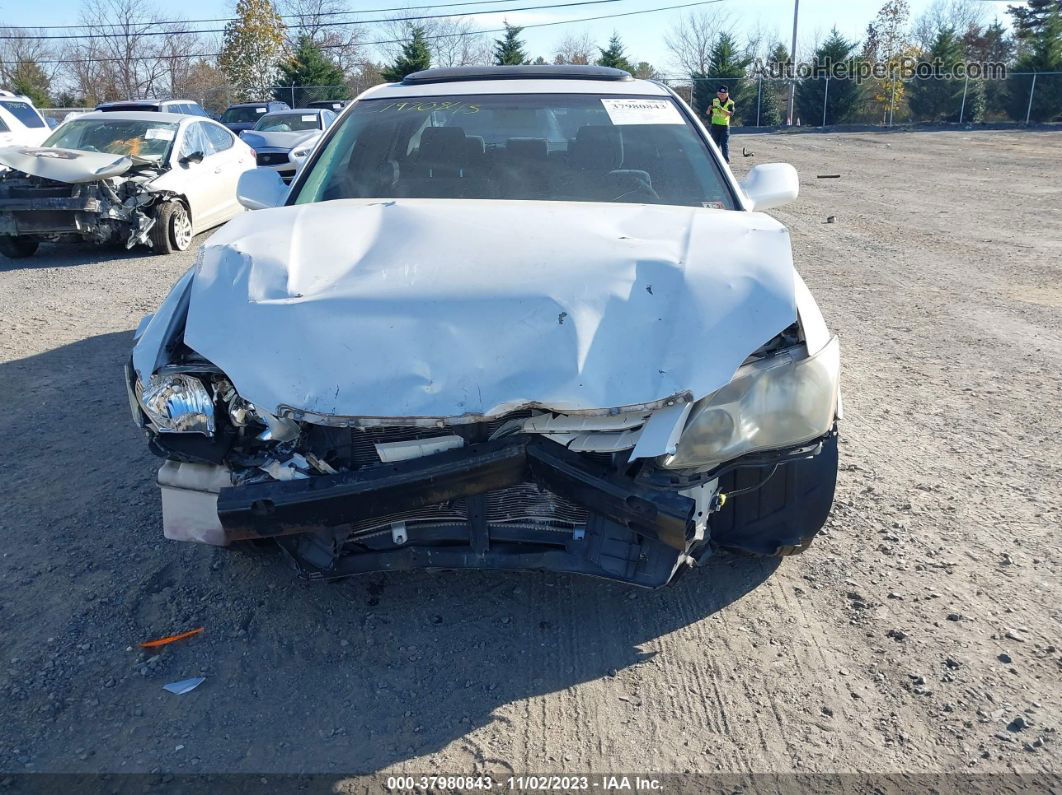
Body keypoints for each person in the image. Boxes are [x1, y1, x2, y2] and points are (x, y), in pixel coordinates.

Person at [708, 85, 735, 163]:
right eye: (720, 94)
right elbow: (708, 113)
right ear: (717, 93)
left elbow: (730, 114)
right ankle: (713, 159)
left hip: (724, 127)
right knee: (714, 144)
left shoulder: (730, 103)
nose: (721, 95)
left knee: (724, 144)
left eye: (723, 94)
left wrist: (721, 109)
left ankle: (725, 161)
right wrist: (709, 109)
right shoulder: (714, 101)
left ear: (727, 94)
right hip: (715, 126)